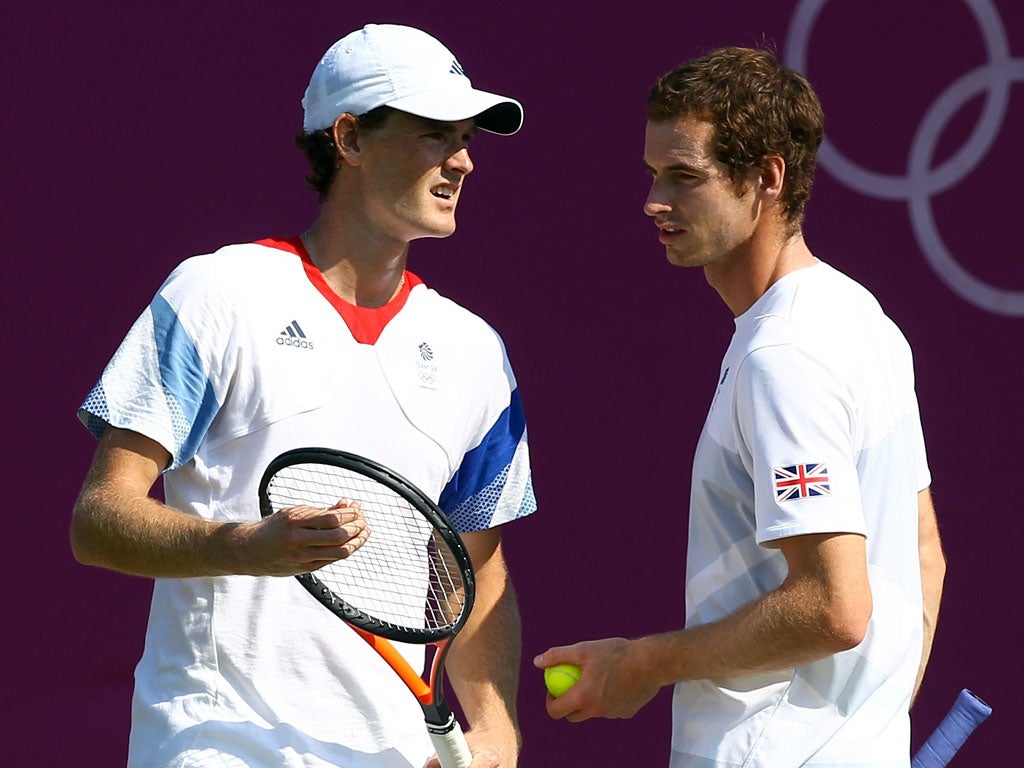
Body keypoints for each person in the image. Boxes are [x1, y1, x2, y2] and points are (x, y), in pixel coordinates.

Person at [71, 23, 535, 768]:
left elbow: (476, 567)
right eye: (434, 135)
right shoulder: (217, 292)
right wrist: (246, 547)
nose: (464, 160)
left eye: (467, 137)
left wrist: (495, 727)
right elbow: (99, 519)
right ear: (349, 139)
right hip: (217, 747)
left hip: (390, 752)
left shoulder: (476, 351)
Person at [534, 46, 946, 766]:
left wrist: (643, 664)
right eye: (654, 173)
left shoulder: (782, 356)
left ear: (767, 179)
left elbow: (832, 608)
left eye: (684, 177)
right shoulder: (861, 319)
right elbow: (924, 555)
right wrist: (867, 734)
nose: (654, 202)